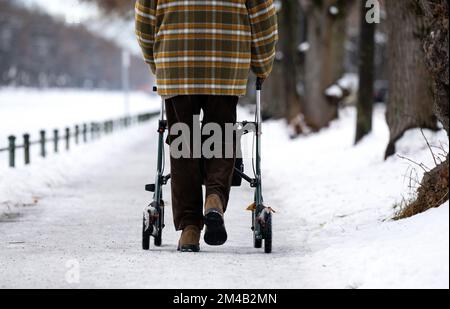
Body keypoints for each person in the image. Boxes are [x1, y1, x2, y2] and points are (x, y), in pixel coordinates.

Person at [135, 0, 278, 252]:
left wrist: (156, 62)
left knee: (184, 141)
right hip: (227, 60)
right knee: (221, 135)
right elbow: (263, 18)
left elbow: (145, 20)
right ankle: (214, 200)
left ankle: (190, 228)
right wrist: (262, 65)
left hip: (176, 59)